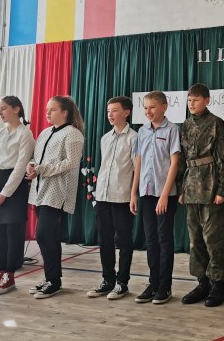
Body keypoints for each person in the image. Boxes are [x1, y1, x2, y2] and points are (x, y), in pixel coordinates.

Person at [178, 83, 224, 308]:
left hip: (210, 186)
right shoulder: (185, 125)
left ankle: (218, 284)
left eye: (196, 100)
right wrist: (182, 189)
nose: (192, 104)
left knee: (212, 239)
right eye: (189, 100)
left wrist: (221, 190)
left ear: (207, 101)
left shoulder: (216, 123)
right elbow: (182, 160)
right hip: (191, 188)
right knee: (195, 239)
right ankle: (202, 283)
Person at [26, 95, 85, 299]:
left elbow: (72, 162)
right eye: (47, 109)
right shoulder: (45, 133)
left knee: (43, 234)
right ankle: (52, 278)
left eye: (52, 110)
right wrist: (32, 166)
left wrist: (43, 169)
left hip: (57, 191)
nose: (48, 113)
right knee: (49, 237)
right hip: (39, 190)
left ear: (65, 113)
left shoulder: (73, 134)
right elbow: (36, 158)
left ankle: (53, 280)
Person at [0, 96, 35, 295]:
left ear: (16, 109)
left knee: (12, 232)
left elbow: (20, 167)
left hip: (14, 186)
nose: (0, 112)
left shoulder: (25, 134)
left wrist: (4, 194)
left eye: (4, 108)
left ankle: (9, 276)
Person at [130, 90, 180, 305]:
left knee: (164, 239)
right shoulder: (142, 131)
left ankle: (165, 286)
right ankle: (153, 282)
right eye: (145, 107)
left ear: (164, 107)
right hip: (146, 193)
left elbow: (175, 163)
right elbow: (139, 162)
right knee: (150, 239)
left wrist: (165, 195)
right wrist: (134, 193)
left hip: (164, 194)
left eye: (152, 107)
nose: (148, 111)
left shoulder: (172, 130)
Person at [87, 96, 137, 300]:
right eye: (108, 111)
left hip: (122, 196)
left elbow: (136, 169)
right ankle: (108, 280)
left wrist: (133, 195)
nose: (110, 114)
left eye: (114, 110)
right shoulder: (105, 138)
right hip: (103, 196)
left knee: (124, 240)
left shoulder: (134, 138)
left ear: (126, 112)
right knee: (104, 239)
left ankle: (122, 282)